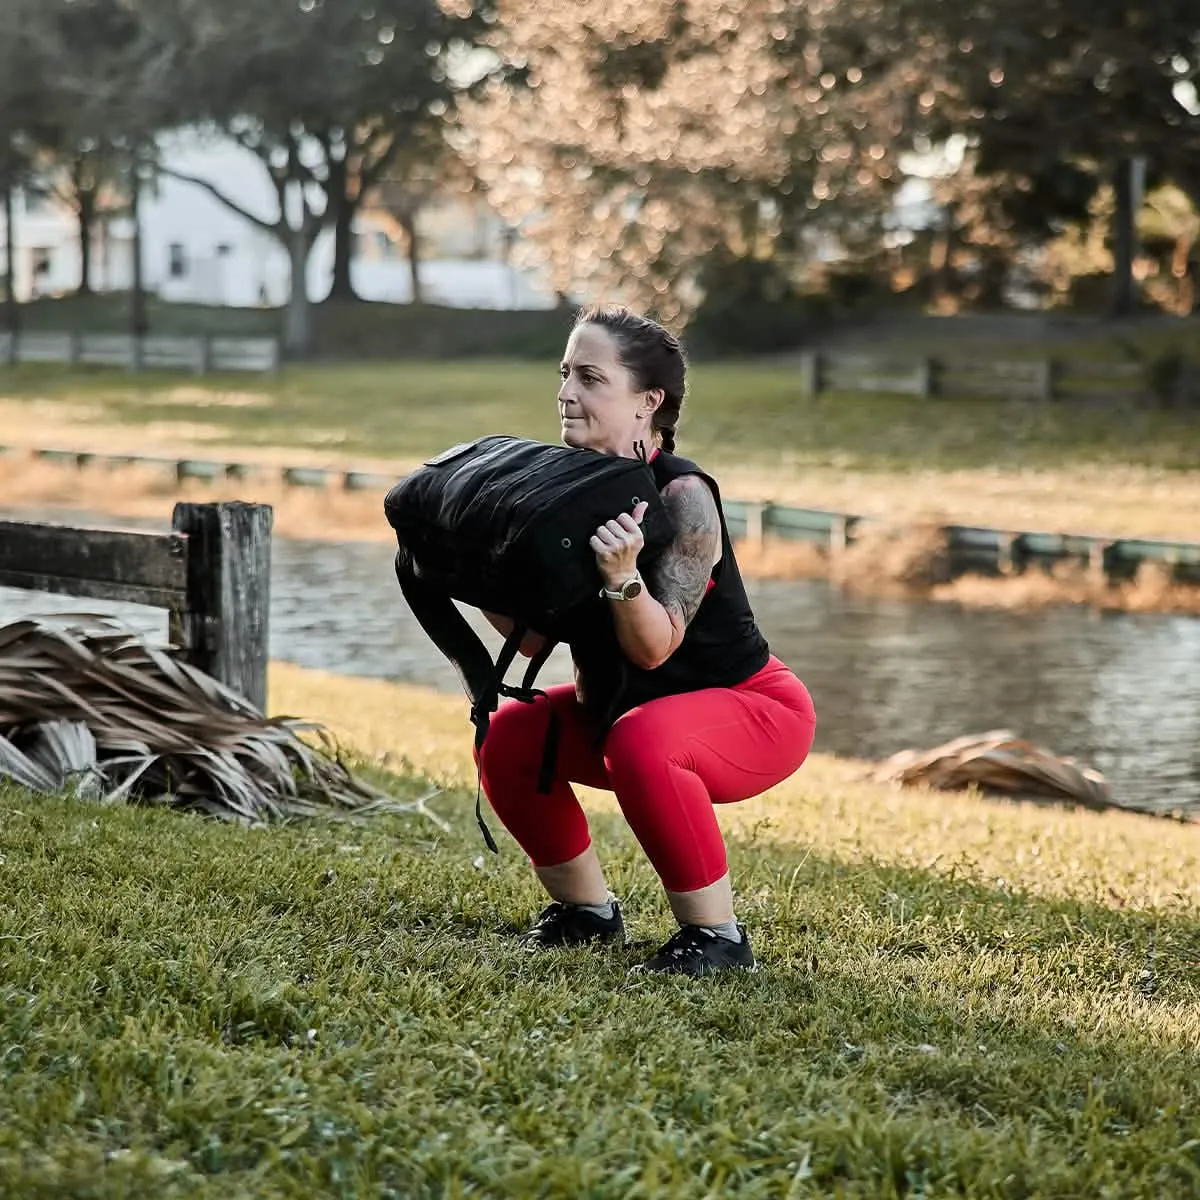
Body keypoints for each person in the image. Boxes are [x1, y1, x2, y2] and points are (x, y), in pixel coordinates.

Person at [477, 303, 816, 976]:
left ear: (647, 401)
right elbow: (532, 638)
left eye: (591, 377)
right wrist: (479, 570)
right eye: (565, 373)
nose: (566, 393)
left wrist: (621, 578)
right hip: (622, 713)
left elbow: (654, 647)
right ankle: (585, 912)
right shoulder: (561, 488)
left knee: (644, 736)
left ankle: (716, 937)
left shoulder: (684, 497)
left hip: (752, 711)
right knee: (512, 732)